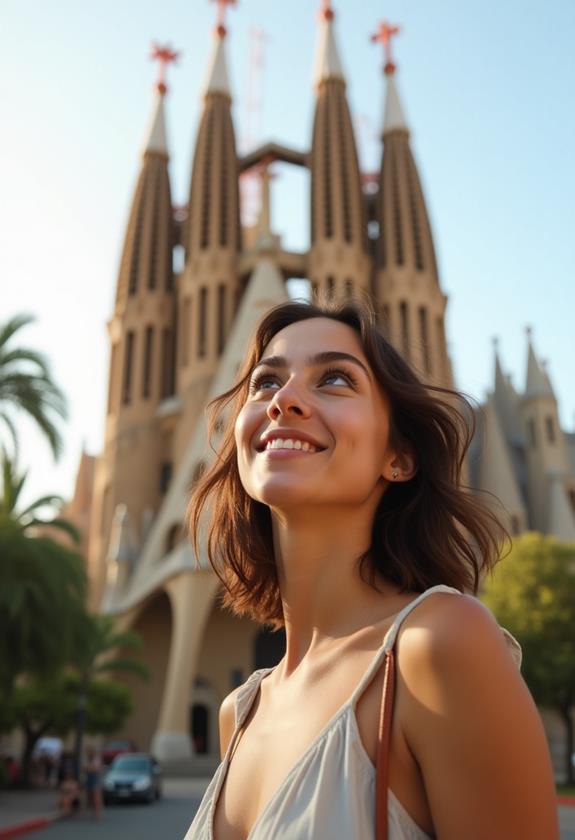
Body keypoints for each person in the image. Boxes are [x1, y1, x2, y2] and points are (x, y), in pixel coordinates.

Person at [184, 299, 558, 839]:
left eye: (334, 379)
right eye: (265, 382)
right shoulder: (239, 713)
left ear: (399, 457)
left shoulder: (439, 646)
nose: (284, 399)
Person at [84, 745, 104, 820]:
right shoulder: (87, 759)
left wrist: (89, 768)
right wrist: (89, 768)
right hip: (89, 778)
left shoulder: (96, 759)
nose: (88, 753)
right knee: (90, 796)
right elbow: (85, 768)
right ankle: (93, 811)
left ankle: (98, 813)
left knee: (97, 797)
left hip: (96, 779)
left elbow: (96, 768)